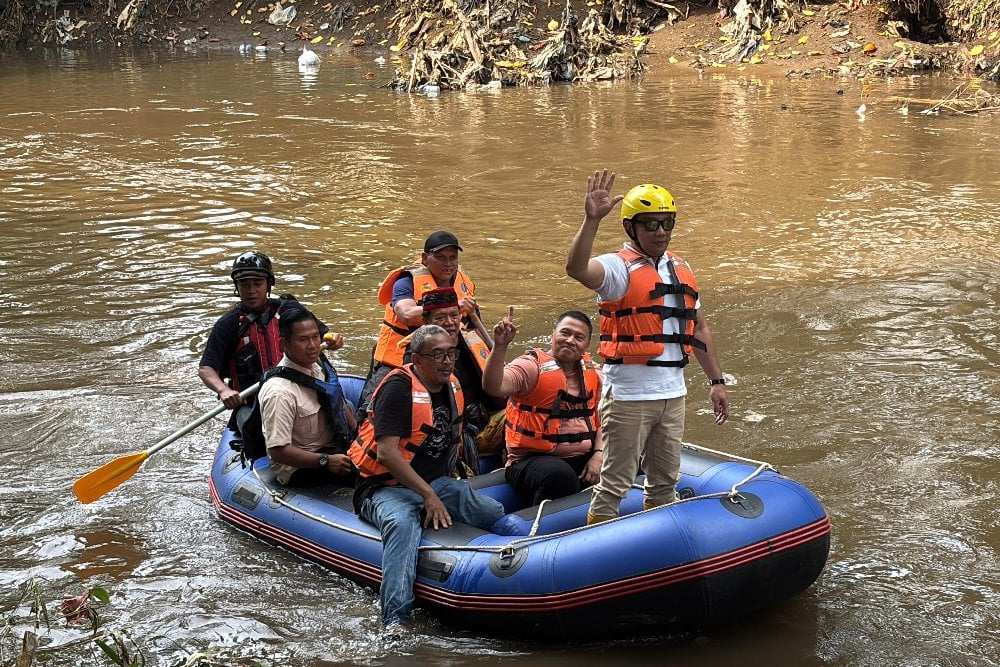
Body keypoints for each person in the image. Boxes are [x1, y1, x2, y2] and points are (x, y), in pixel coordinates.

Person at [565, 169, 730, 525]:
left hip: (673, 394)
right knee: (615, 485)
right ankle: (601, 556)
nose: (661, 232)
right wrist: (591, 220)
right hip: (629, 397)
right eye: (651, 224)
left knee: (664, 483)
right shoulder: (617, 269)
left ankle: (658, 553)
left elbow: (698, 327)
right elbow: (577, 268)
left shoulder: (680, 268)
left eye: (667, 223)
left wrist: (716, 382)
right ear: (632, 228)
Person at [348, 325, 506, 630]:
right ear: (417, 359)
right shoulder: (398, 389)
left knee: (490, 511)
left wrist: (435, 490)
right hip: (383, 488)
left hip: (435, 483)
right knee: (402, 526)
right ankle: (395, 620)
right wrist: (427, 496)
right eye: (438, 355)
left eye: (451, 353)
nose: (447, 361)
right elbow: (387, 454)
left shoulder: (451, 386)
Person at [198, 251, 343, 419]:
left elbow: (323, 334)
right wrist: (223, 390)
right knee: (254, 430)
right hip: (253, 404)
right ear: (237, 287)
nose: (251, 290)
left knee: (336, 414)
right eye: (244, 284)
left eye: (258, 283)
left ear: (269, 284)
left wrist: (333, 339)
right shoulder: (229, 324)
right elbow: (205, 368)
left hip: (299, 390)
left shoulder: (289, 310)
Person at [482, 307, 604, 506]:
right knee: (559, 474)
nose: (570, 340)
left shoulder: (593, 373)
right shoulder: (530, 367)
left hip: (584, 457)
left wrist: (598, 455)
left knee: (628, 457)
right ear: (552, 335)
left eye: (578, 337)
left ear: (586, 345)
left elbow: (604, 419)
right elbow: (494, 386)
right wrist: (500, 346)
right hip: (531, 461)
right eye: (565, 333)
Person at [360, 231, 479, 412]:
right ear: (425, 258)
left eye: (452, 258)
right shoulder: (406, 281)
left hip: (445, 355)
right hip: (399, 356)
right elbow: (406, 313)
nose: (448, 264)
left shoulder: (463, 282)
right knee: (372, 406)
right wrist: (451, 305)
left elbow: (474, 325)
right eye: (440, 257)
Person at [397, 287, 503, 473]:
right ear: (425, 321)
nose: (450, 323)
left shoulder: (471, 340)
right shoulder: (417, 358)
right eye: (440, 318)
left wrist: (501, 347)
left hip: (484, 419)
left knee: (521, 413)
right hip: (455, 433)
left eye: (454, 315)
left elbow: (498, 387)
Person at [257, 306, 358, 487]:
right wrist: (325, 461)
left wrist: (361, 437)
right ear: (284, 344)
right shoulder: (279, 392)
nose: (312, 346)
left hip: (332, 446)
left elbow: (338, 403)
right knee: (372, 477)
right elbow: (278, 451)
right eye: (303, 339)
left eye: (315, 337)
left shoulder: (318, 366)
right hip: (301, 466)